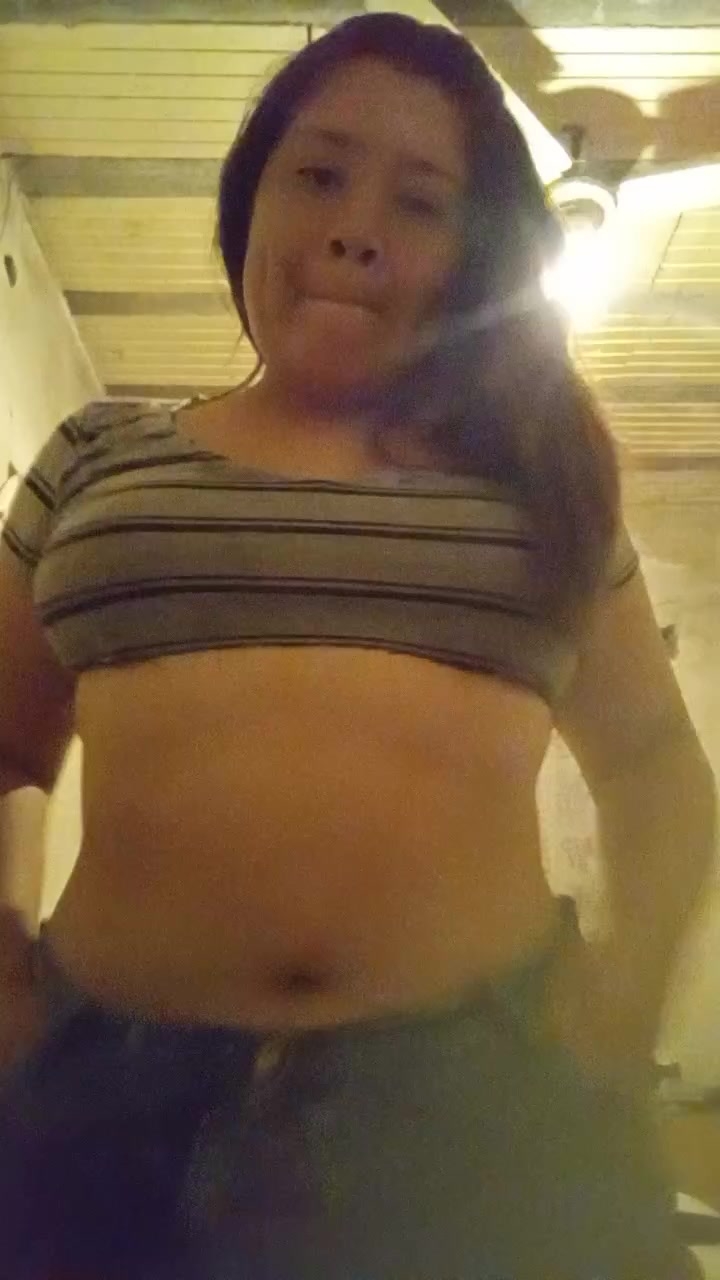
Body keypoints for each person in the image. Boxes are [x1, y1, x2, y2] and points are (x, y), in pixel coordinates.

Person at [0, 12, 716, 1279]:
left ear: (473, 254)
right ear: (251, 203)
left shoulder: (542, 483)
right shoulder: (97, 457)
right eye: (318, 175)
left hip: (476, 1110)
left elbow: (656, 764)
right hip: (107, 1104)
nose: (353, 227)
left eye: (420, 201)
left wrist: (619, 1011)